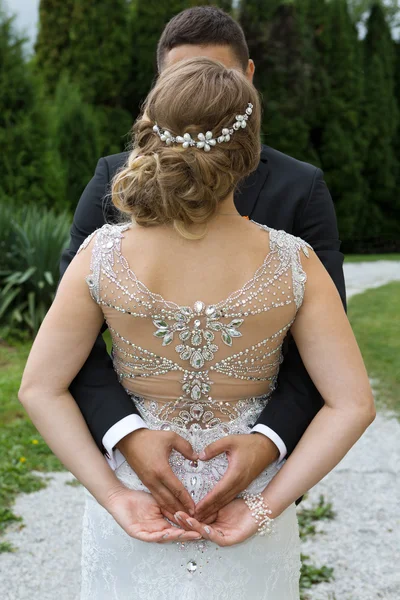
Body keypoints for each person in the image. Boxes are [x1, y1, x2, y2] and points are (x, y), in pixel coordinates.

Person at [19, 56, 375, 599]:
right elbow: (353, 404)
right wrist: (262, 505)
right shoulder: (293, 262)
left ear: (151, 137)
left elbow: (39, 387)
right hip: (243, 514)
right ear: (250, 150)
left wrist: (116, 497)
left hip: (140, 508)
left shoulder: (103, 254)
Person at [58, 6, 349, 528]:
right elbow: (65, 348)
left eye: (218, 82)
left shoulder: (300, 189)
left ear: (249, 82)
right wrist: (126, 434)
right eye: (183, 84)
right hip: (136, 470)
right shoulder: (108, 184)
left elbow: (325, 356)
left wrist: (268, 447)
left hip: (257, 466)